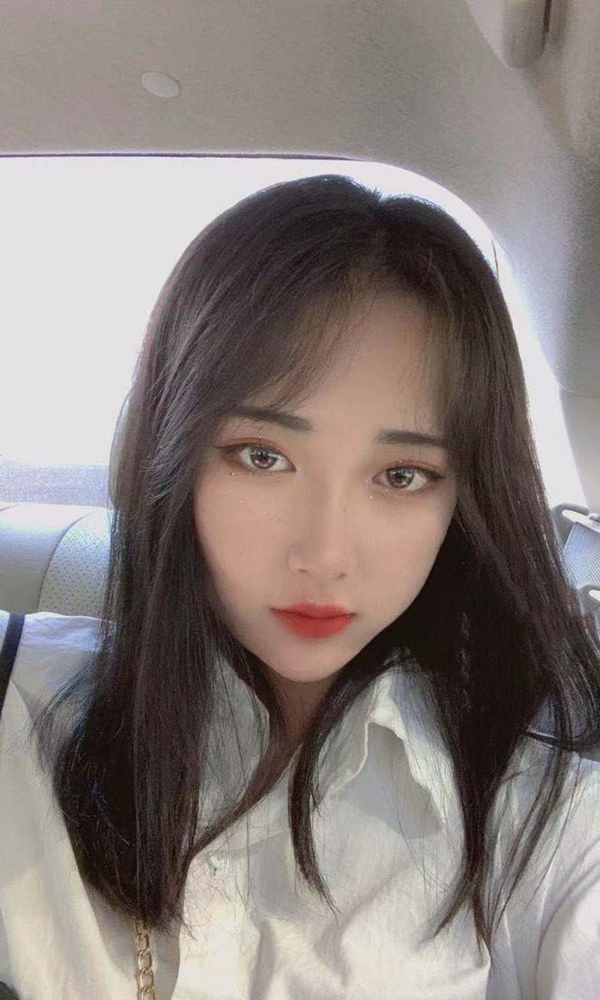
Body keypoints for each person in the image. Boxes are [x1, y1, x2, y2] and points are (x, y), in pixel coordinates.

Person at [1, 174, 600, 999]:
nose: (325, 553)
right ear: (169, 454)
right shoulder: (17, 705)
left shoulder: (538, 817)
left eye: (401, 475)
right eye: (263, 457)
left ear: (463, 499)